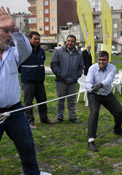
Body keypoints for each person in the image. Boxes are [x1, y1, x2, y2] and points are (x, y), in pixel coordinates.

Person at [0, 6, 41, 175]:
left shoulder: (12, 53)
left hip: (15, 112)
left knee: (27, 149)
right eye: (5, 31)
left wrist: (15, 28)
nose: (10, 35)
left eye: (11, 32)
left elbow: (26, 49)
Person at [85, 51, 122, 152]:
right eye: (99, 60)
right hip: (94, 94)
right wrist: (91, 87)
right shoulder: (92, 68)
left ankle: (117, 129)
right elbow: (88, 82)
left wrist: (100, 84)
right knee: (94, 112)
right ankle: (91, 139)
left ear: (107, 60)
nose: (101, 62)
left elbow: (109, 80)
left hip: (106, 93)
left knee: (120, 112)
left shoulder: (112, 68)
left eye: (104, 60)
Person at [19, 31, 52, 129]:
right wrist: (27, 73)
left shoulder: (41, 51)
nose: (37, 41)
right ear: (30, 39)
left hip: (39, 81)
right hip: (28, 81)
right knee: (28, 102)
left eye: (38, 39)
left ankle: (44, 118)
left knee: (42, 100)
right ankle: (30, 121)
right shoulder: (25, 51)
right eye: (35, 39)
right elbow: (18, 66)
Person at [51, 34, 83, 124]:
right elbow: (54, 64)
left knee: (72, 100)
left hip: (73, 81)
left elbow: (81, 66)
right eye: (68, 41)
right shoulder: (59, 52)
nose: (70, 43)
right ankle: (59, 117)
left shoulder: (78, 54)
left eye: (72, 41)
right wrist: (59, 73)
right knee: (60, 100)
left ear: (75, 42)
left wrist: (77, 75)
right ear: (66, 41)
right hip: (61, 80)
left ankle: (72, 116)